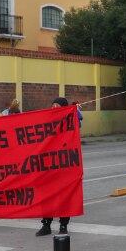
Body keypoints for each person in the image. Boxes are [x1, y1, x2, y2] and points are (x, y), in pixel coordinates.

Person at [36, 98, 80, 236]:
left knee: (64, 198)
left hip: (64, 166)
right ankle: (46, 225)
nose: (54, 108)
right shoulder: (46, 121)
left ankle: (63, 225)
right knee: (46, 197)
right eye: (52, 105)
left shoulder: (70, 123)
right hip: (48, 166)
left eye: (57, 106)